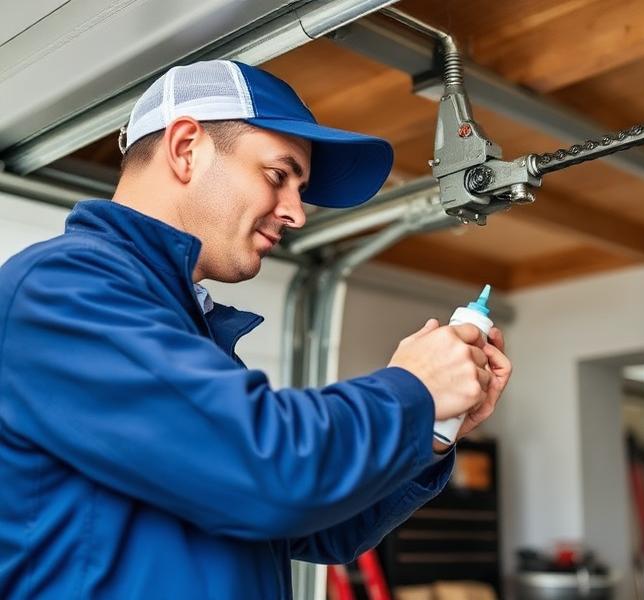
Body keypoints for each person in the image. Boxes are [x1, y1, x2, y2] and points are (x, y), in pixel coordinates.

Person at [0, 60, 511, 599]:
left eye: (300, 187)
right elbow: (270, 470)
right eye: (277, 175)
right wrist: (414, 390)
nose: (297, 213)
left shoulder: (187, 328)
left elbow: (319, 525)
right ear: (185, 149)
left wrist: (432, 430)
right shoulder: (61, 288)